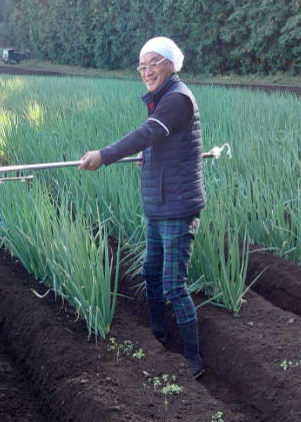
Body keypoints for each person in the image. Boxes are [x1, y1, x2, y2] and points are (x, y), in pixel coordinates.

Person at [79, 37, 207, 378]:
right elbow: (161, 139)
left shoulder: (177, 98)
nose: (147, 71)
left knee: (173, 285)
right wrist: (146, 152)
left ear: (171, 65)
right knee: (150, 273)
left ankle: (193, 360)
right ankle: (157, 336)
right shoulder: (163, 98)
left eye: (154, 63)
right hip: (159, 203)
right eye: (142, 65)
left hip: (177, 206)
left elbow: (149, 132)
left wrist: (104, 155)